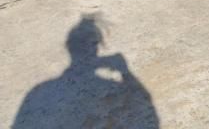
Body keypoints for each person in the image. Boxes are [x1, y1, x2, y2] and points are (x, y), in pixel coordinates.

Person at [12, 15, 159, 128]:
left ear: (68, 46)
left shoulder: (38, 92)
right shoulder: (114, 85)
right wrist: (125, 71)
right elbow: (147, 108)